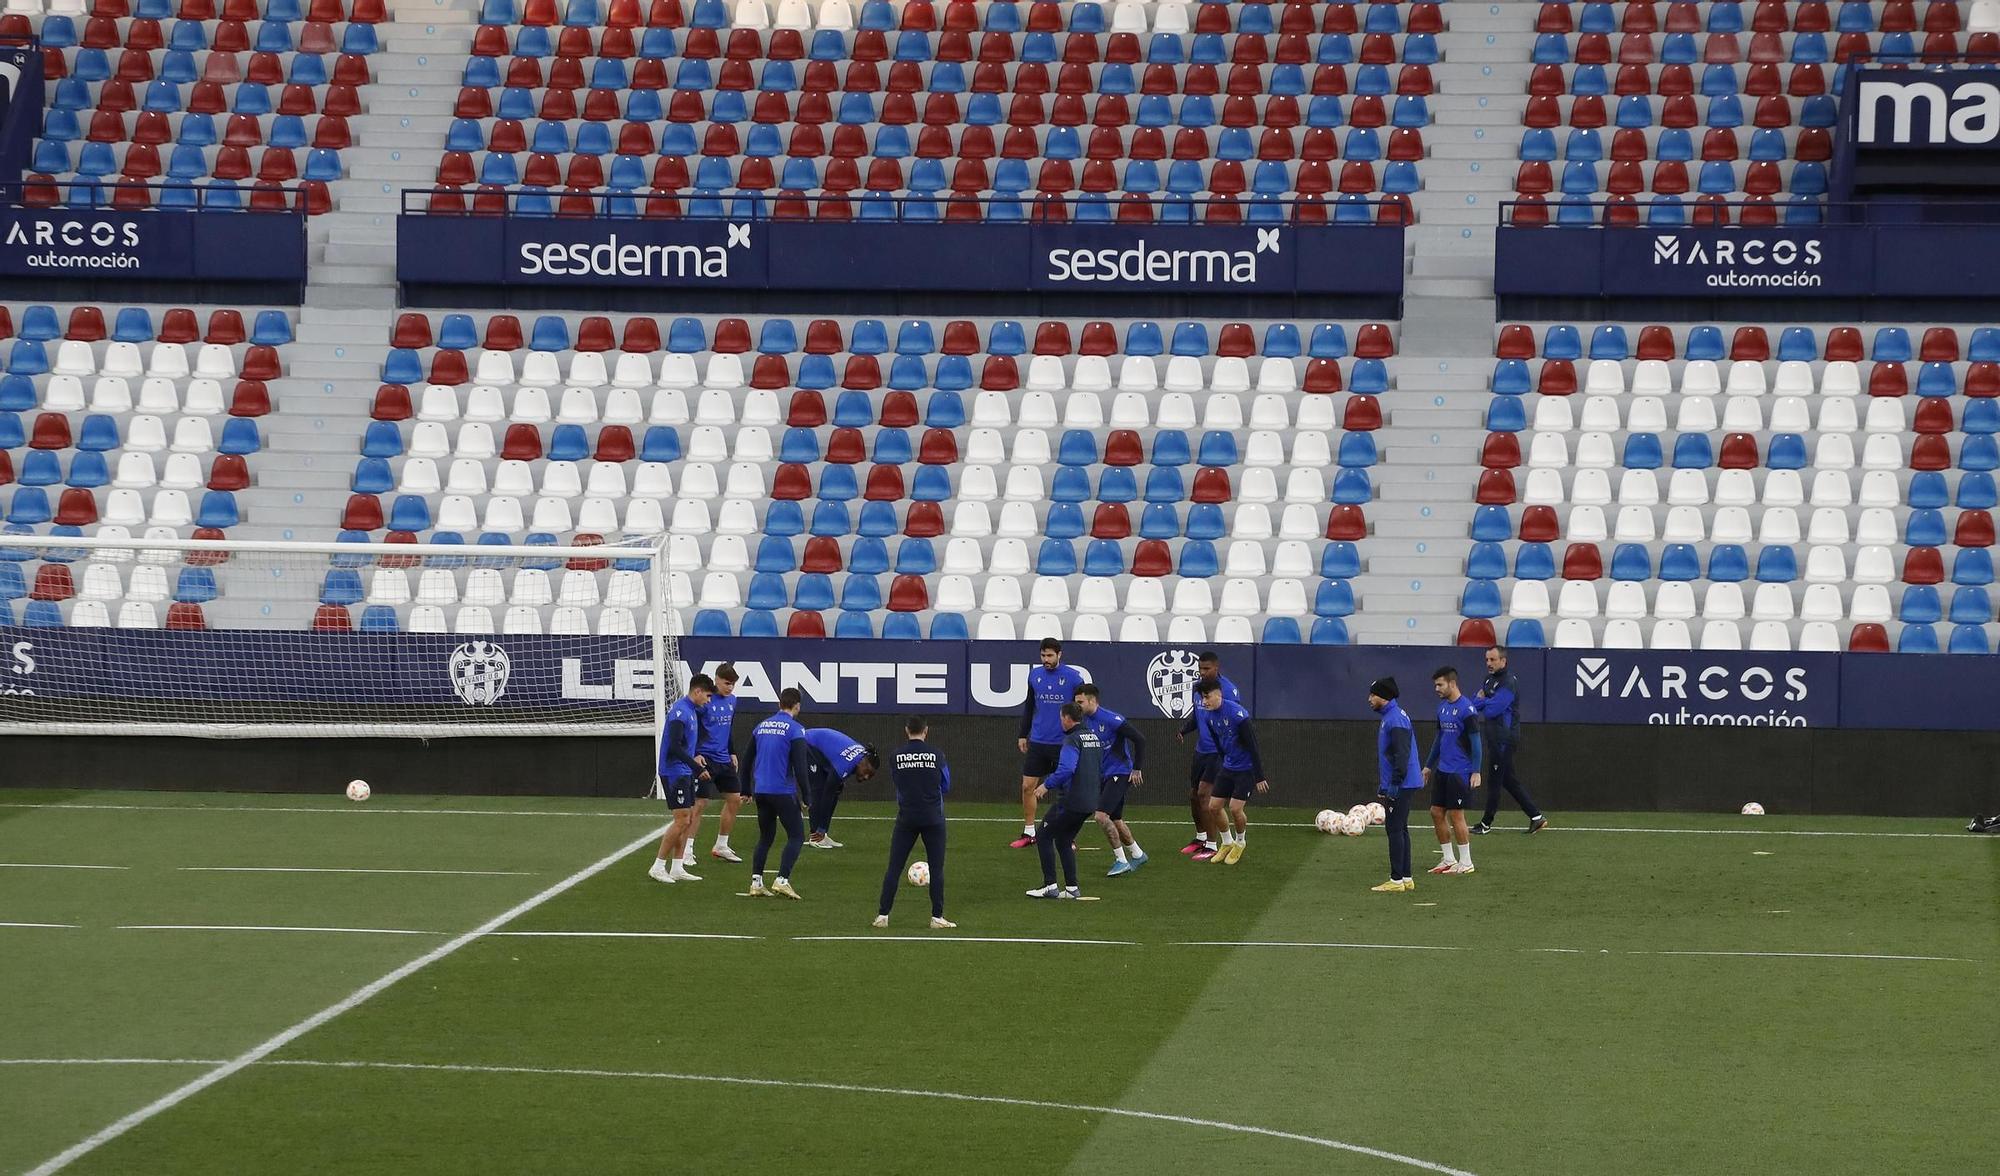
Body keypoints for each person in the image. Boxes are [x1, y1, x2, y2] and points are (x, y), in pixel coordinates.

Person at [874, 715, 955, 929]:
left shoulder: (895, 756)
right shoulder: (937, 755)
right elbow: (946, 785)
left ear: (906, 731)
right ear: (926, 731)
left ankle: (882, 915)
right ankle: (937, 917)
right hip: (933, 818)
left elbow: (897, 782)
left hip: (906, 818)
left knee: (894, 867)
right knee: (936, 869)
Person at [1013, 638, 1087, 849]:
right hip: (1038, 741)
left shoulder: (1073, 678)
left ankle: (1067, 835)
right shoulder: (1034, 675)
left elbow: (1080, 710)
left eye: (1050, 656)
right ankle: (1029, 832)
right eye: (1043, 655)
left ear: (1059, 655)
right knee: (1027, 786)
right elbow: (1029, 707)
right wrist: (1022, 734)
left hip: (1063, 742)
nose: (1046, 660)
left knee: (1067, 790)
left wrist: (1079, 734)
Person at [1468, 646, 1549, 836]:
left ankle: (1486, 823)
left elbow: (1491, 710)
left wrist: (1483, 700)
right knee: (1508, 780)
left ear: (1503, 661)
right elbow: (1474, 703)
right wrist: (1484, 701)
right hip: (1494, 736)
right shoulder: (1489, 680)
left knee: (1495, 781)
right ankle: (1536, 817)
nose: (1488, 663)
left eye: (1493, 659)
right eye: (1487, 659)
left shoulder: (1508, 682)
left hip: (1504, 738)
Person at [1027, 703, 1102, 899]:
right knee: (1064, 839)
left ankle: (1050, 886)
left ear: (1068, 719)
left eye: (1061, 718)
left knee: (1043, 835)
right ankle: (1071, 888)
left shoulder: (1072, 739)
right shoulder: (1093, 737)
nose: (1061, 721)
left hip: (1071, 800)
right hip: (1090, 800)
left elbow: (1067, 769)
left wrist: (1046, 785)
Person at [741, 688, 809, 899]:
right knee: (797, 836)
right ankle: (782, 880)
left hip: (761, 790)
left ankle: (756, 882)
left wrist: (745, 789)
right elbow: (800, 765)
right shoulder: (796, 729)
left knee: (765, 837)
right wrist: (807, 795)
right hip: (782, 791)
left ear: (780, 703)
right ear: (797, 706)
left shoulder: (761, 726)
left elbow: (746, 760)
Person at [1076, 684, 1148, 877]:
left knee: (1100, 816)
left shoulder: (1111, 719)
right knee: (1116, 819)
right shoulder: (1082, 721)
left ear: (1092, 701)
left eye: (1080, 702)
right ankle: (1138, 853)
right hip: (1103, 775)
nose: (1077, 706)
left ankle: (1121, 860)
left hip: (1120, 772)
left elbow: (1139, 739)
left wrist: (1137, 768)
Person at [648, 674, 714, 885]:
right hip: (673, 771)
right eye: (708, 695)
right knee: (682, 820)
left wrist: (693, 761)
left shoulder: (691, 711)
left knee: (688, 819)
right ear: (697, 692)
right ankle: (658, 865)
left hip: (683, 770)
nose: (709, 700)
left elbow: (683, 746)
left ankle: (677, 867)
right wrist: (696, 767)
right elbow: (675, 747)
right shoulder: (680, 712)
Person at [1196, 678, 1269, 865]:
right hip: (1228, 767)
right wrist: (1224, 761)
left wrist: (1259, 776)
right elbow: (1219, 743)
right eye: (1202, 698)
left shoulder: (1238, 715)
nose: (1204, 702)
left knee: (1235, 809)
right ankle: (1226, 842)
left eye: (1207, 697)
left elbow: (1253, 746)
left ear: (1218, 694)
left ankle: (1240, 842)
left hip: (1246, 770)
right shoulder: (1208, 716)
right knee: (1213, 807)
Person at [1176, 651, 1240, 860]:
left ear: (1216, 667)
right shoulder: (1198, 688)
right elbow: (1198, 714)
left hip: (1218, 753)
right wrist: (1185, 729)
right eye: (1200, 669)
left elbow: (1238, 721)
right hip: (1200, 751)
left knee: (1205, 795)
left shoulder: (1228, 690)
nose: (1203, 673)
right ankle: (1201, 837)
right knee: (1194, 795)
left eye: (1207, 669)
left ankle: (1213, 846)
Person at [1424, 666, 1483, 877]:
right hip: (1443, 770)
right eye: (1435, 685)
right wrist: (1428, 766)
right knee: (1436, 812)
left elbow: (1476, 742)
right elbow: (1439, 740)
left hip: (1460, 771)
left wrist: (1476, 771)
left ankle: (1466, 862)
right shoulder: (1441, 709)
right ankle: (1449, 859)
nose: (1437, 689)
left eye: (1440, 684)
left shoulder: (1467, 710)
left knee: (1457, 815)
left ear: (1452, 683)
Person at [1368, 677, 1423, 893]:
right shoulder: (1392, 716)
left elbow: (1402, 755)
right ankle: (1406, 878)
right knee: (1401, 829)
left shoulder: (1394, 719)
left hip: (1402, 783)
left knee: (1394, 829)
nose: (1369, 699)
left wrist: (1395, 784)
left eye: (1373, 695)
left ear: (1384, 696)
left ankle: (1396, 880)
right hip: (1404, 782)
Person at [690, 663, 748, 866]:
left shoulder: (732, 700)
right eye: (726, 683)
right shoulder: (705, 700)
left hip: (724, 759)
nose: (730, 688)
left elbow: (728, 727)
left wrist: (732, 751)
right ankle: (688, 849)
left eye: (733, 685)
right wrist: (695, 753)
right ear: (716, 679)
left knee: (735, 799)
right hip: (705, 758)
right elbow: (693, 728)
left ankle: (721, 845)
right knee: (700, 803)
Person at [803, 726, 880, 849]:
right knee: (818, 792)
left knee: (836, 790)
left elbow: (834, 793)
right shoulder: (846, 765)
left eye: (870, 775)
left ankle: (822, 835)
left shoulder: (860, 759)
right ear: (862, 762)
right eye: (867, 771)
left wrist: (824, 828)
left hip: (824, 751)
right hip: (808, 744)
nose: (866, 776)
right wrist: (821, 827)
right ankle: (815, 837)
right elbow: (827, 796)